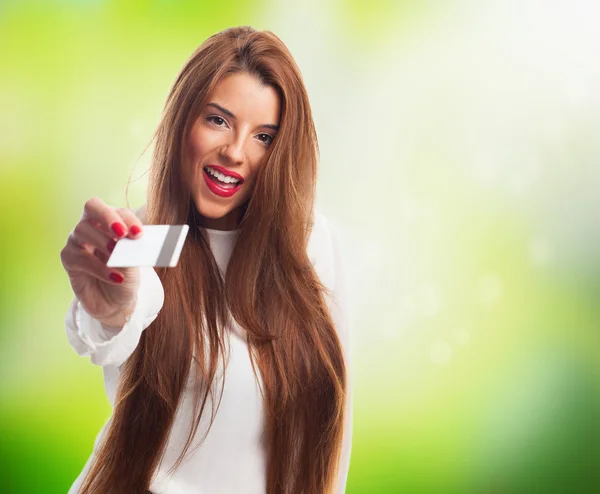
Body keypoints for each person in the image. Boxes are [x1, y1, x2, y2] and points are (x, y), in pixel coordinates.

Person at [60, 26, 352, 494]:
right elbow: (109, 327)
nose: (236, 152)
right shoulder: (145, 238)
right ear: (183, 121)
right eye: (217, 120)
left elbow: (337, 423)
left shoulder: (310, 242)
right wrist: (111, 308)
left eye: (263, 136)